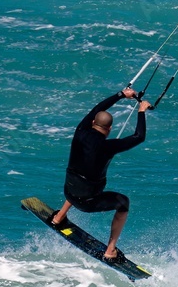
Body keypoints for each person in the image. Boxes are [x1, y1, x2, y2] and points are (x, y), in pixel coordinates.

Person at [51, 88, 152, 262]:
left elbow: (97, 109)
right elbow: (139, 136)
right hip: (88, 202)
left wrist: (120, 94)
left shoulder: (80, 131)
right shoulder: (108, 147)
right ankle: (110, 250)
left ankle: (59, 217)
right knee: (123, 203)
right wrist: (141, 111)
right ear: (110, 128)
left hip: (69, 191)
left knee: (80, 174)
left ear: (93, 123)